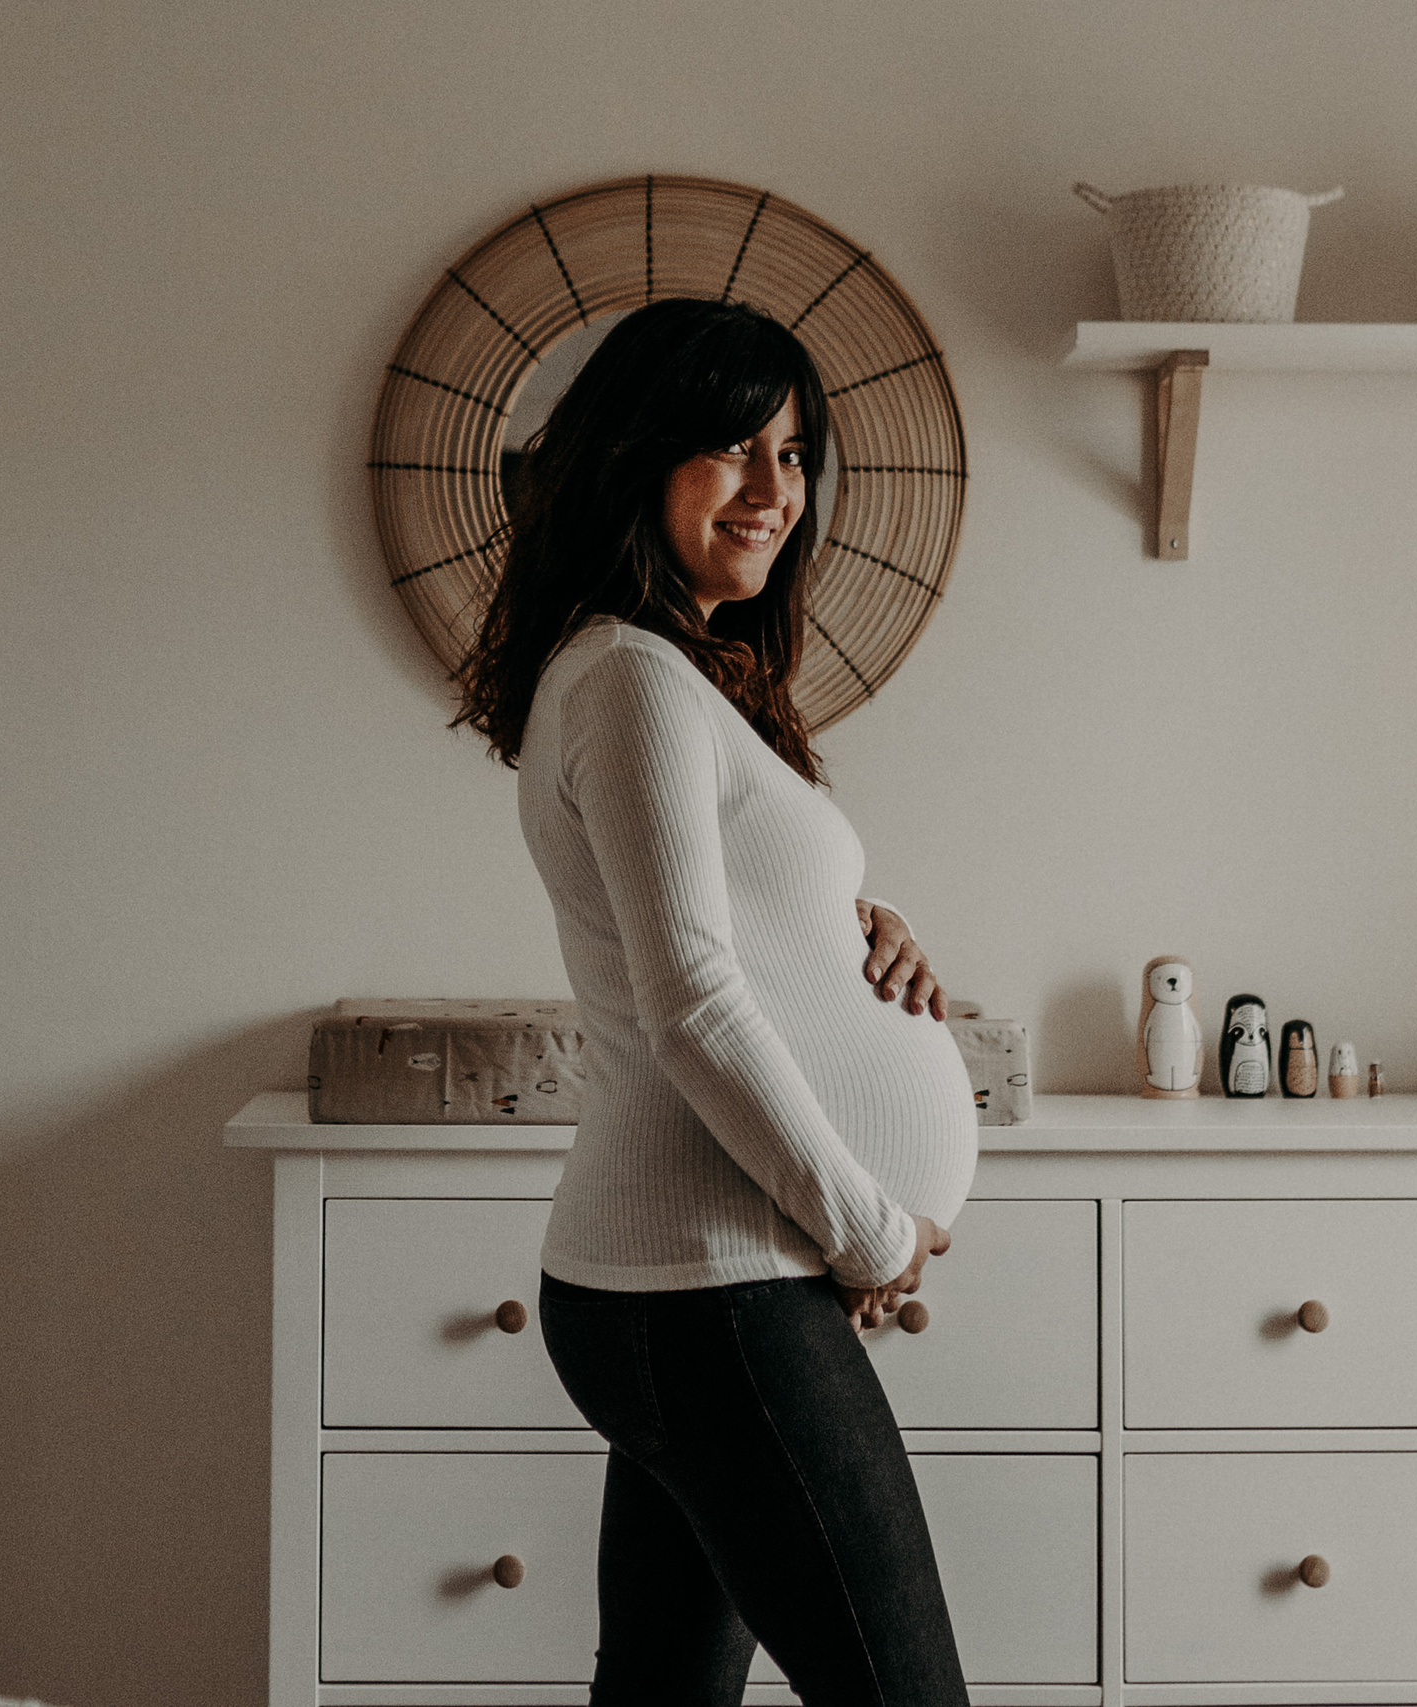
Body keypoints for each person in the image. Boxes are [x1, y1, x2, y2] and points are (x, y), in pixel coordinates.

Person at [454, 297, 978, 1707]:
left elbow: (727, 937)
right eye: (732, 451)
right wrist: (865, 1230)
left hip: (698, 1283)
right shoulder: (629, 679)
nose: (774, 492)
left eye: (794, 455)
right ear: (638, 457)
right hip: (710, 1286)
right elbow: (688, 1006)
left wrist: (866, 929)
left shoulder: (674, 674)